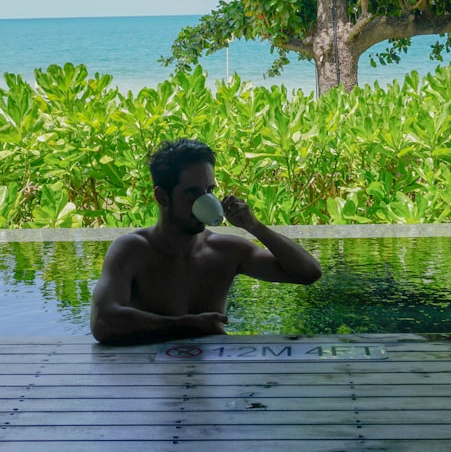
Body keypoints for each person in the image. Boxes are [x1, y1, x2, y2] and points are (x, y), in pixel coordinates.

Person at [90, 138, 323, 344]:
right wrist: (189, 325)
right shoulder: (132, 250)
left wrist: (254, 226)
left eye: (209, 190)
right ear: (162, 197)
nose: (204, 200)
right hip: (155, 380)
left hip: (215, 378)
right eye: (192, 192)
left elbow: (308, 273)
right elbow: (103, 322)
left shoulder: (226, 251)